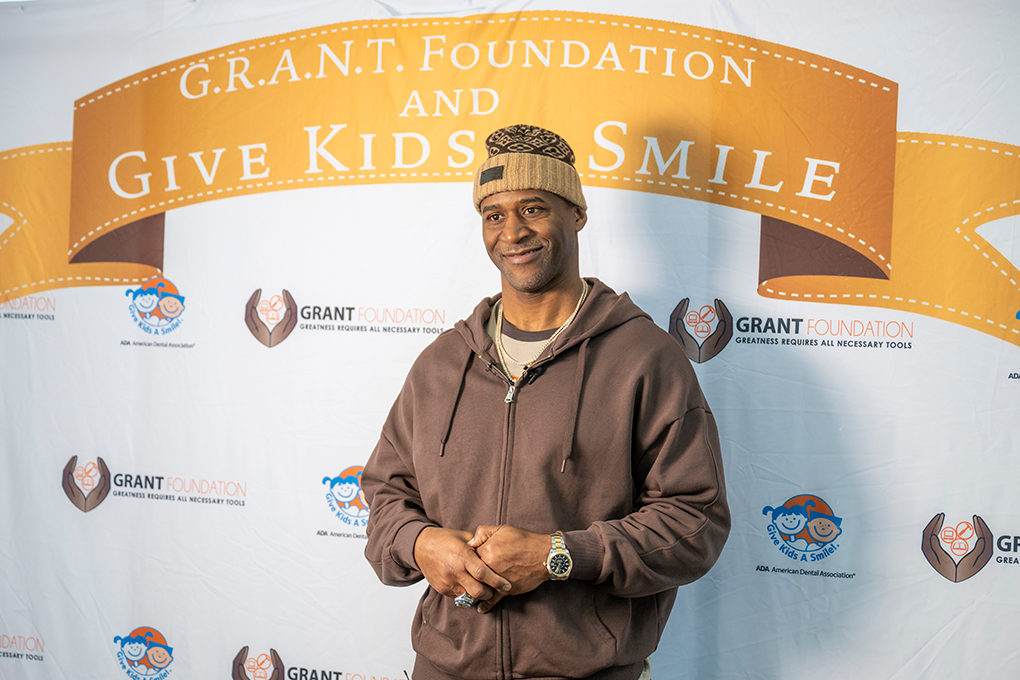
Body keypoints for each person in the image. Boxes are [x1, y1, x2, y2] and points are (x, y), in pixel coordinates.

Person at [362, 124, 729, 680]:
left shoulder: (642, 357)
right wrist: (419, 544)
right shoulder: (442, 363)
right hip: (445, 666)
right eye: (495, 214)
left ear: (576, 213)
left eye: (533, 209)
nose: (512, 232)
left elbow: (694, 521)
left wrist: (559, 555)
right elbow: (387, 495)